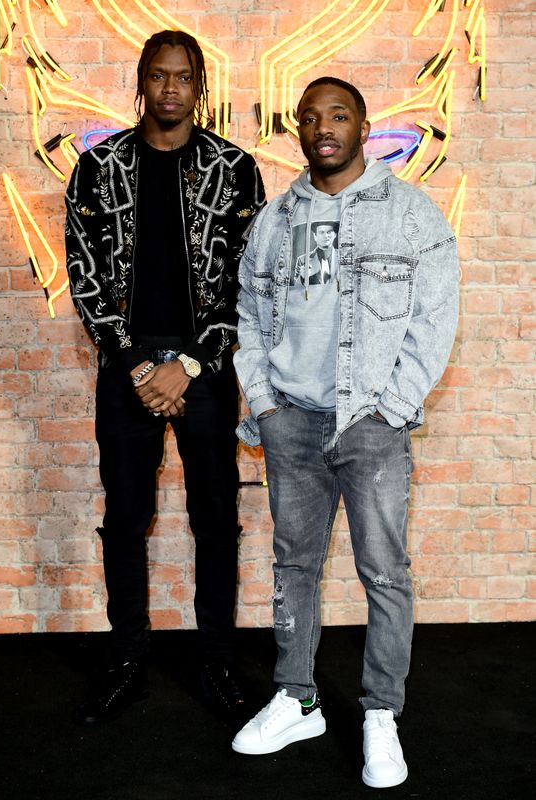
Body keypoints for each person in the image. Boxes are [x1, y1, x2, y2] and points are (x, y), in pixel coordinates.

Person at [232, 77, 459, 788]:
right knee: (293, 567)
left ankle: (381, 713)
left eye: (338, 115)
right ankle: (296, 698)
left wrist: (390, 410)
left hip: (371, 425)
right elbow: (247, 313)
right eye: (310, 117)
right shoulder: (273, 220)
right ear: (297, 131)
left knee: (384, 573)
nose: (323, 127)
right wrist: (265, 403)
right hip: (291, 423)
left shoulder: (413, 217)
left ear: (365, 125)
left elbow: (434, 321)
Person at [64, 30, 265, 725]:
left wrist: (188, 363)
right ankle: (126, 662)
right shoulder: (98, 168)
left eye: (183, 77)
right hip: (128, 363)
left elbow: (248, 280)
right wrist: (137, 363)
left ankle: (217, 663)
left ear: (199, 86)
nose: (171, 89)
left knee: (215, 517)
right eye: (158, 76)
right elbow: (85, 278)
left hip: (204, 364)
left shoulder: (235, 169)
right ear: (140, 82)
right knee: (125, 517)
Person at [294, 221, 339, 285]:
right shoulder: (302, 260)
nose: (326, 236)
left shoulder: (344, 256)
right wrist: (302, 277)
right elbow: (295, 290)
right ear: (315, 236)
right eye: (321, 232)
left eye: (329, 232)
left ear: (335, 234)